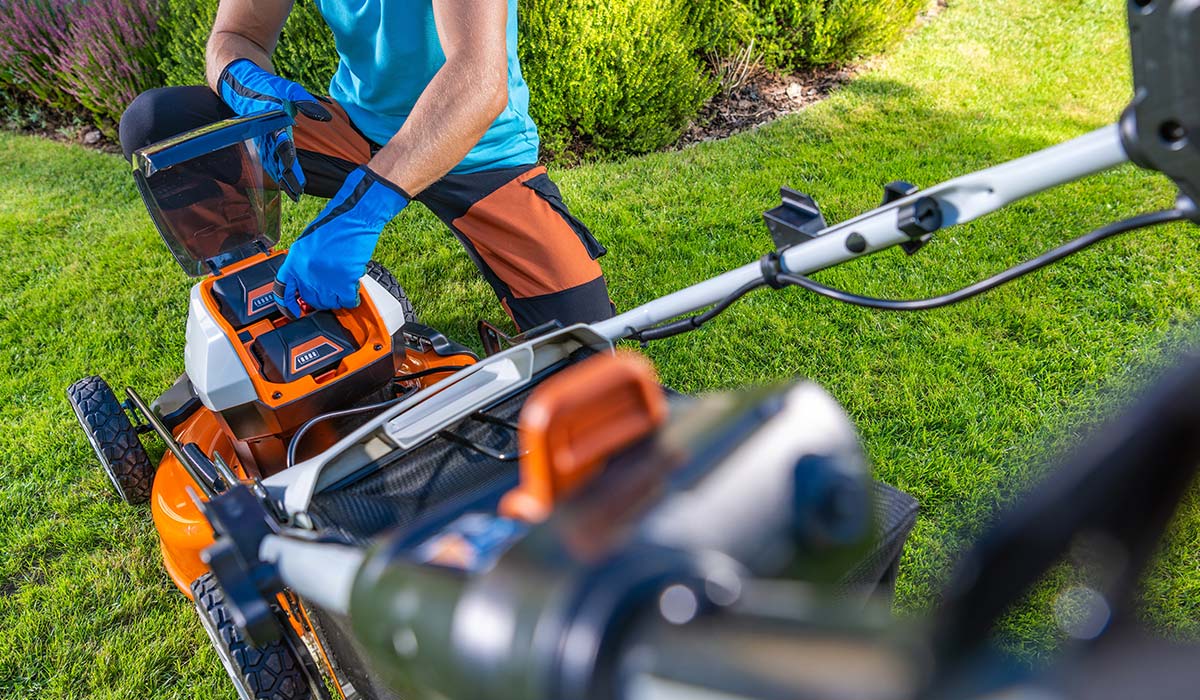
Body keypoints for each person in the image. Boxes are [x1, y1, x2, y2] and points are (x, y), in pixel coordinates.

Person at [119, 0, 613, 332]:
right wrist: (248, 88)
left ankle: (330, 253)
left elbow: (477, 81)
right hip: (357, 133)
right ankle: (256, 293)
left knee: (586, 350)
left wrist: (360, 212)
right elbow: (234, 35)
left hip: (477, 148)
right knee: (162, 124)